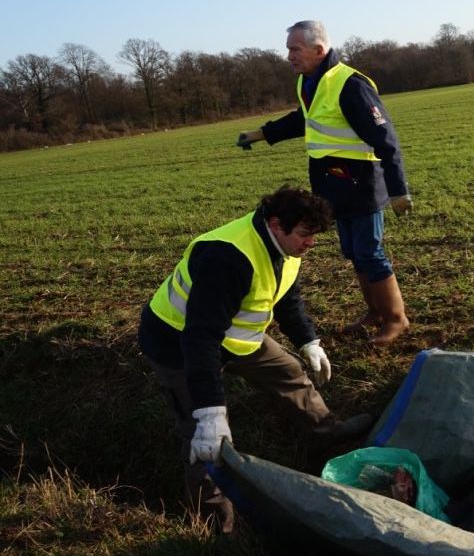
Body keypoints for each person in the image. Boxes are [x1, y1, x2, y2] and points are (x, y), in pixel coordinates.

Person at [138, 186, 374, 533]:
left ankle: (328, 433)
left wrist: (308, 341)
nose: (311, 243)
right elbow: (200, 339)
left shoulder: (285, 246)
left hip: (236, 336)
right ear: (276, 224)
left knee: (289, 375)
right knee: (206, 442)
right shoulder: (227, 258)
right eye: (305, 234)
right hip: (178, 343)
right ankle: (216, 528)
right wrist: (210, 412)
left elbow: (286, 296)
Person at [236, 20, 410, 344]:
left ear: (318, 50)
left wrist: (399, 189)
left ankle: (396, 319)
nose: (288, 56)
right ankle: (374, 313)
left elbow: (386, 138)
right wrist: (261, 134)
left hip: (362, 184)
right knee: (353, 251)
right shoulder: (309, 82)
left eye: (294, 49)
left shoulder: (350, 84)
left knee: (369, 252)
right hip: (332, 187)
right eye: (288, 49)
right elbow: (304, 119)